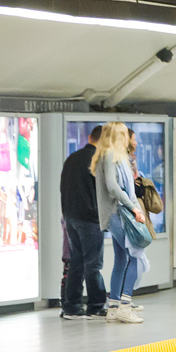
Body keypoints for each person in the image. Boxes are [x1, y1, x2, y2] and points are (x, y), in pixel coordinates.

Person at [92, 122, 147, 324]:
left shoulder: (111, 156)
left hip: (117, 213)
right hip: (118, 213)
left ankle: (113, 307)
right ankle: (125, 305)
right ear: (118, 137)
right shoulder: (111, 156)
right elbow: (113, 186)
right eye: (124, 134)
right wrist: (134, 208)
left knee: (122, 259)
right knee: (135, 255)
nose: (128, 139)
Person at [59, 125, 107, 319]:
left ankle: (71, 307)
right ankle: (95, 306)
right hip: (90, 219)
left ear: (89, 137)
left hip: (70, 217)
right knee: (93, 263)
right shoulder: (97, 161)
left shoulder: (72, 158)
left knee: (76, 262)